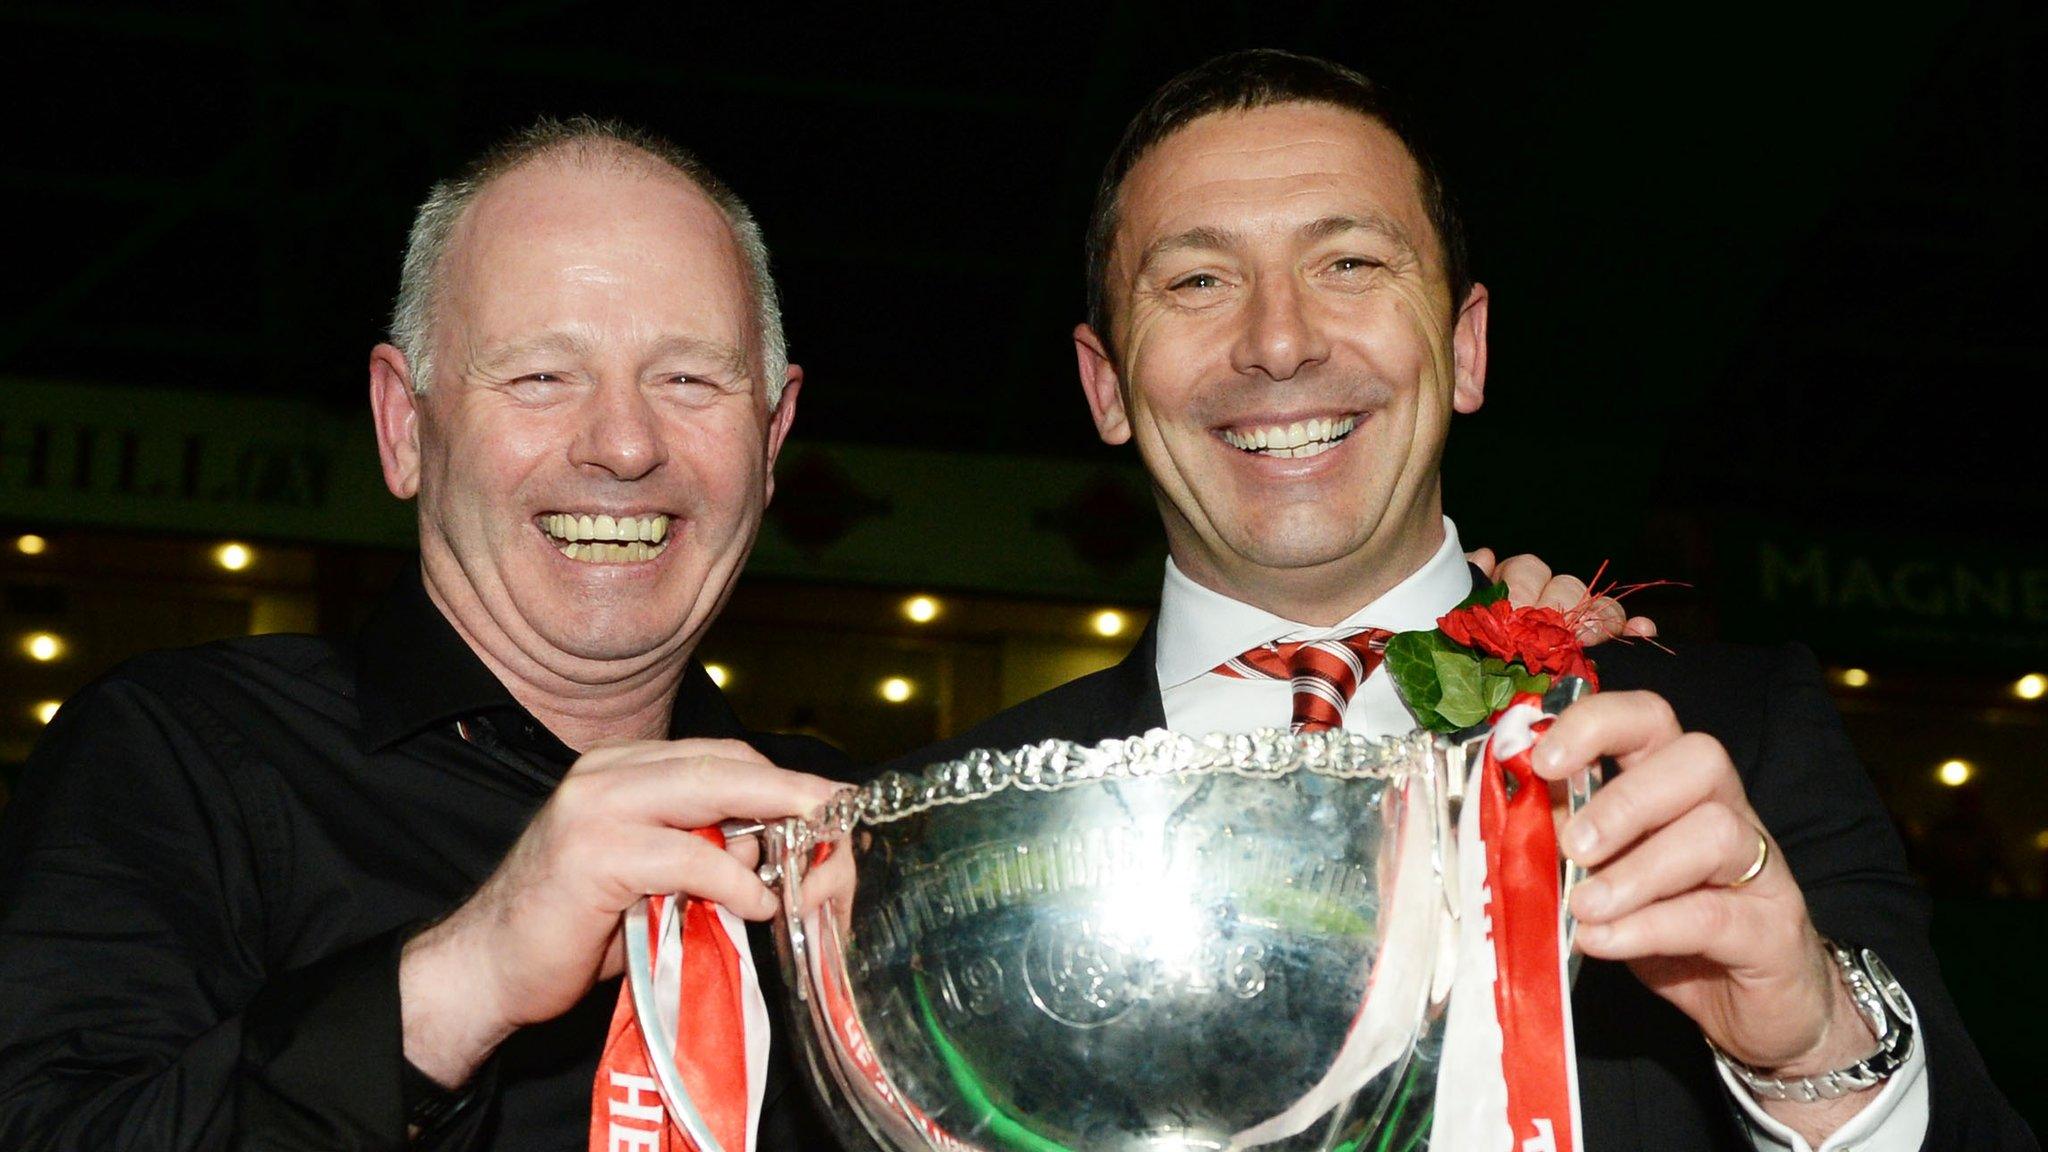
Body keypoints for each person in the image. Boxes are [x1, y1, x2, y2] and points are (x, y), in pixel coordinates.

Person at [0, 115, 1605, 1150]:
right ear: (402, 422)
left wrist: (1464, 661)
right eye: (539, 376)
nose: (622, 447)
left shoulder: (871, 835)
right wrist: (469, 973)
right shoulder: (181, 755)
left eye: (689, 381)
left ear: (775, 437)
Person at [896, 51, 2036, 1152]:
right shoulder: (938, 827)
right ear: (1105, 384)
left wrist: (1811, 1049)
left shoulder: (1734, 740)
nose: (1279, 341)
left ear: (1465, 346)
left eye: (1347, 263)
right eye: (1197, 280)